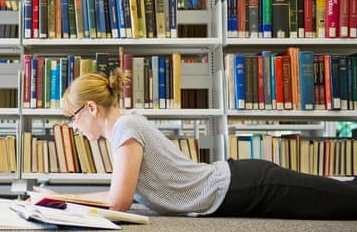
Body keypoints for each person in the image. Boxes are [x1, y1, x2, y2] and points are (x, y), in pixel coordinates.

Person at [33, 68, 357, 219]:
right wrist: (61, 197)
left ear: (91, 108)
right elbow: (119, 195)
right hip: (235, 187)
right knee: (338, 194)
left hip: (242, 186)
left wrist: (61, 199)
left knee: (342, 200)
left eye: (73, 118)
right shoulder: (123, 129)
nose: (73, 127)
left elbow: (118, 203)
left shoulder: (124, 128)